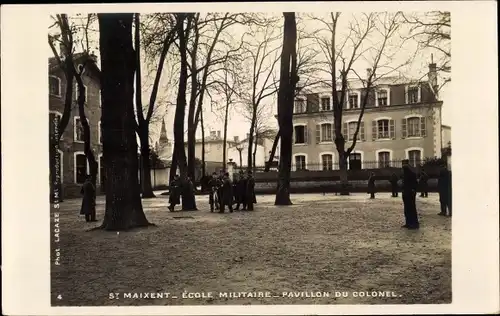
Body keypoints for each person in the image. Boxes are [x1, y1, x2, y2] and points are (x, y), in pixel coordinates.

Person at [401, 163, 419, 229]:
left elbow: (415, 184)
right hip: (406, 194)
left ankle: (413, 224)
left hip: (410, 195)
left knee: (411, 209)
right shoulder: (405, 176)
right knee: (407, 210)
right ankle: (408, 223)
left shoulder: (411, 175)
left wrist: (413, 190)